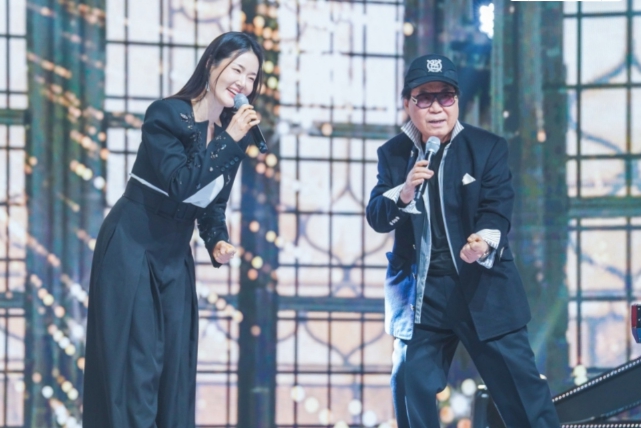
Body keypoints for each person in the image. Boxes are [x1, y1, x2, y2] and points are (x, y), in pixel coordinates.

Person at [366, 54, 560, 427]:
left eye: (446, 96)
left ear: (457, 100)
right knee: (409, 381)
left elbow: (497, 207)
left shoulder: (486, 147)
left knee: (523, 392)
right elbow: (377, 216)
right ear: (407, 103)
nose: (436, 108)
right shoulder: (393, 154)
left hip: (482, 285)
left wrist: (482, 243)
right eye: (425, 97)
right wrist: (403, 193)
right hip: (423, 293)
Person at [82, 32, 263, 427]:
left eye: (251, 77)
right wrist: (231, 139)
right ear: (212, 63)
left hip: (174, 257)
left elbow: (212, 204)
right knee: (136, 371)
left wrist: (217, 239)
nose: (243, 84)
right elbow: (181, 183)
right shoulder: (166, 115)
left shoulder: (230, 134)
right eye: (237, 70)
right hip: (133, 248)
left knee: (174, 372)